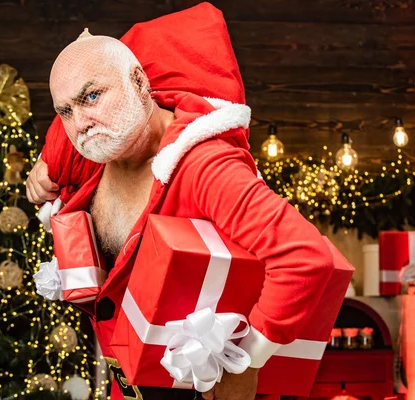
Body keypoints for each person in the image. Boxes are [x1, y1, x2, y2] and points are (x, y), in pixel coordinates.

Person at [29, 4, 334, 400]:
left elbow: (305, 258)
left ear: (139, 82)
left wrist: (245, 359)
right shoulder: (95, 157)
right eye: (66, 111)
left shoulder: (202, 166)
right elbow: (62, 143)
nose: (80, 123)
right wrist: (42, 166)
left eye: (92, 97)